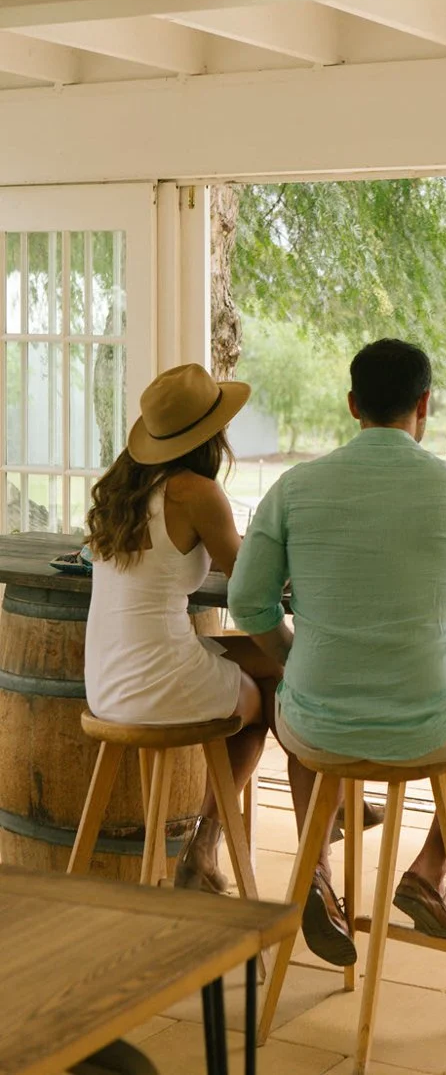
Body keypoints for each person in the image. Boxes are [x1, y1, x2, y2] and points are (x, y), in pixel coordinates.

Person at [229, 338, 446, 963]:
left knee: (310, 718)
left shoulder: (295, 486)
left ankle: (317, 874)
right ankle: (426, 871)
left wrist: (291, 655)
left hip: (317, 721)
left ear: (353, 404)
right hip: (429, 729)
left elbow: (248, 601)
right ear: (425, 403)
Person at [84, 362, 283, 893]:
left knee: (273, 662)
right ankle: (206, 846)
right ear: (210, 435)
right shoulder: (196, 492)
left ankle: (219, 847)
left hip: (106, 680)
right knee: (269, 692)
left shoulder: (124, 490)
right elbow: (250, 582)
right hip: (156, 678)